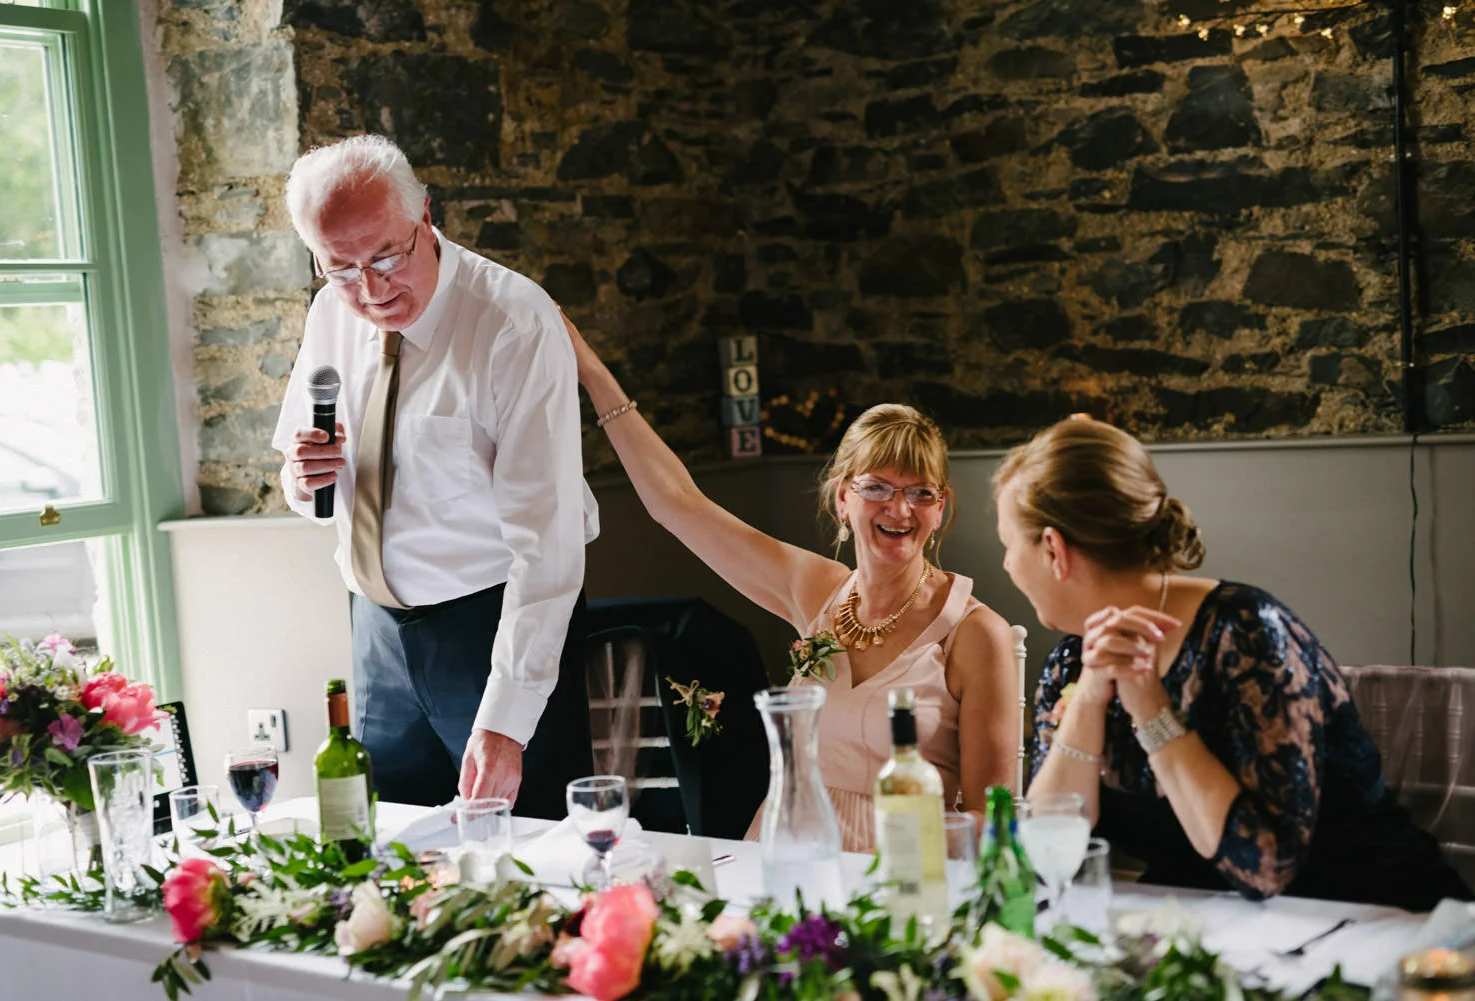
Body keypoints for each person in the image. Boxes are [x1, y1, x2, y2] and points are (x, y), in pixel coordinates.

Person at [562, 314, 1019, 852]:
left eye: (921, 492)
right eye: (878, 487)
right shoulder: (819, 591)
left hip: (903, 874)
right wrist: (591, 373)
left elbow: (993, 819)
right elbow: (677, 505)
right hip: (790, 853)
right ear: (842, 498)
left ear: (940, 508)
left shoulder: (973, 632)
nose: (901, 508)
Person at [999, 416, 1470, 910]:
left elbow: (1266, 868)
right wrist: (1090, 698)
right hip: (1213, 931)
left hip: (1375, 920)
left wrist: (1150, 709)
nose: (1007, 564)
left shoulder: (1248, 634)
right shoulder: (1072, 662)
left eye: (1009, 544)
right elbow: (1047, 855)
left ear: (1053, 550)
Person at [271, 134, 597, 817]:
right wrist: (304, 478)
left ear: (425, 212)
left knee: (528, 862)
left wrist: (508, 717)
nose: (371, 288)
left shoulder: (510, 322)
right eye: (341, 267)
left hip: (489, 630)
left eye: (387, 255)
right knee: (393, 860)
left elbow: (551, 542)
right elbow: (306, 487)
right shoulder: (332, 312)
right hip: (376, 636)